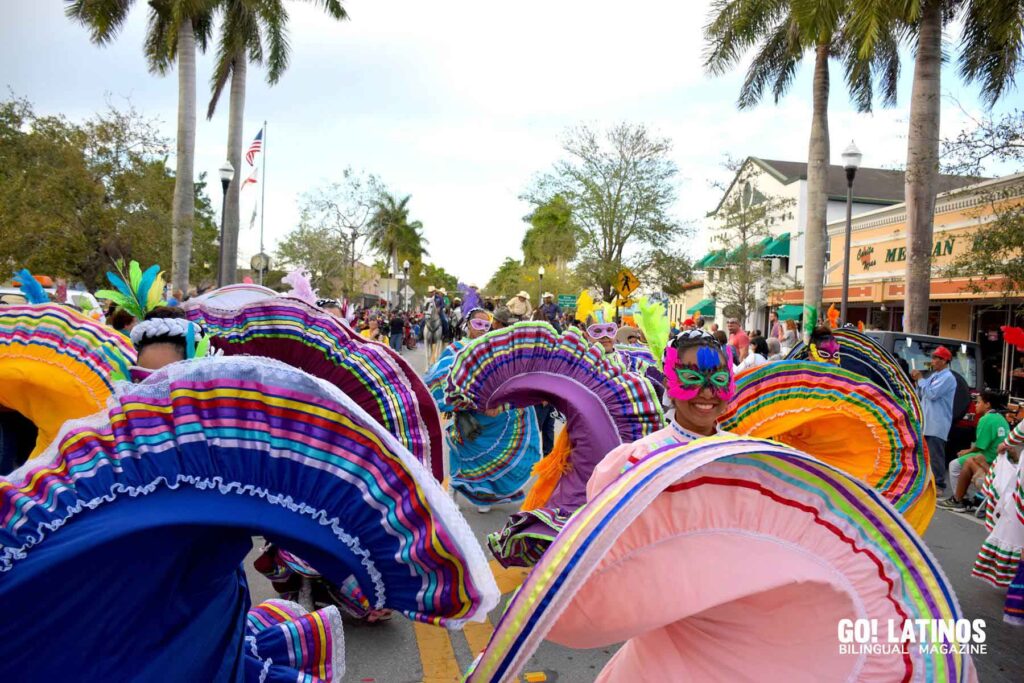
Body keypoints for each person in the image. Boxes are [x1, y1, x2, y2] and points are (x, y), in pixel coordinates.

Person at [425, 308, 543, 513]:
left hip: (492, 413)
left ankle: (484, 498)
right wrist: (457, 402)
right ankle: (452, 491)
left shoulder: (494, 348)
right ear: (468, 325)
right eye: (477, 324)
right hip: (467, 411)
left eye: (486, 325)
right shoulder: (456, 349)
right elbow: (440, 376)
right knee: (460, 453)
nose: (481, 328)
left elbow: (506, 377)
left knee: (492, 455)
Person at [940, 390, 1011, 511]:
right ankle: (962, 498)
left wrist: (967, 451)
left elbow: (980, 446)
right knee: (966, 461)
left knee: (954, 465)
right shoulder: (1001, 418)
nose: (975, 405)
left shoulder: (986, 419)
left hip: (988, 457)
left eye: (978, 402)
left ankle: (959, 499)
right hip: (1000, 458)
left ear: (987, 404)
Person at [912, 345, 957, 491]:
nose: (932, 361)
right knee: (924, 455)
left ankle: (939, 485)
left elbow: (932, 394)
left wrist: (920, 379)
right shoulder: (934, 376)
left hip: (937, 423)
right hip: (926, 422)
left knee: (935, 455)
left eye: (935, 358)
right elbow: (922, 393)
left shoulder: (948, 377)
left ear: (944, 361)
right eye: (932, 358)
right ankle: (925, 484)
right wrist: (917, 382)